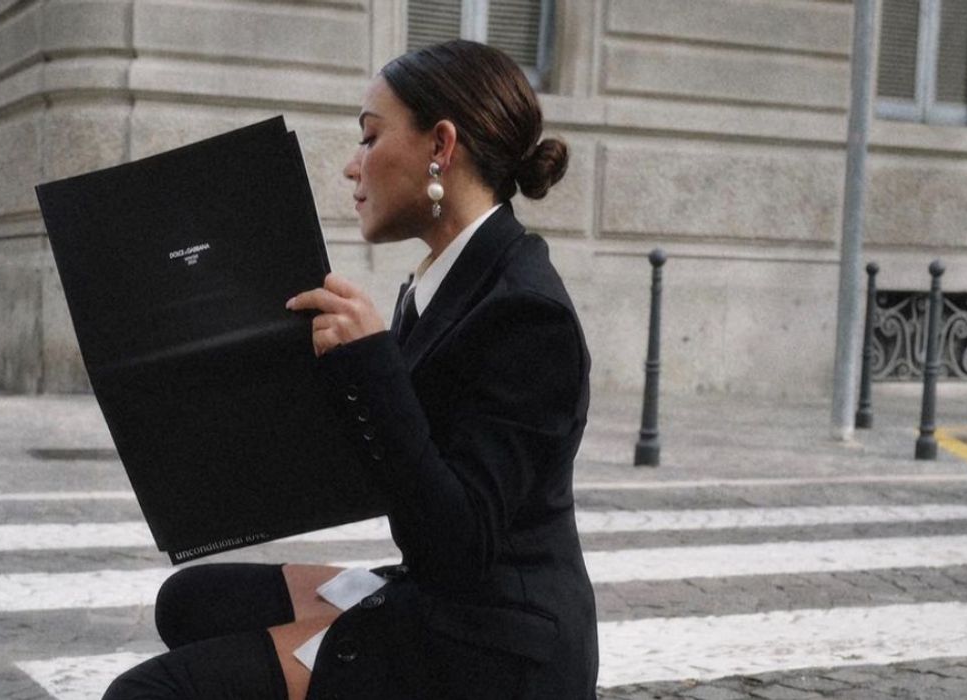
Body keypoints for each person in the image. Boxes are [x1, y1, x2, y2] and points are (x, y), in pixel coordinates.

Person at [103, 39, 597, 699]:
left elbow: (458, 546)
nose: (351, 166)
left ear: (440, 145)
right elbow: (397, 457)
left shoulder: (529, 315)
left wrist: (372, 364)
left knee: (145, 694)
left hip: (496, 645)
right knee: (190, 601)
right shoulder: (446, 279)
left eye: (369, 137)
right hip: (443, 594)